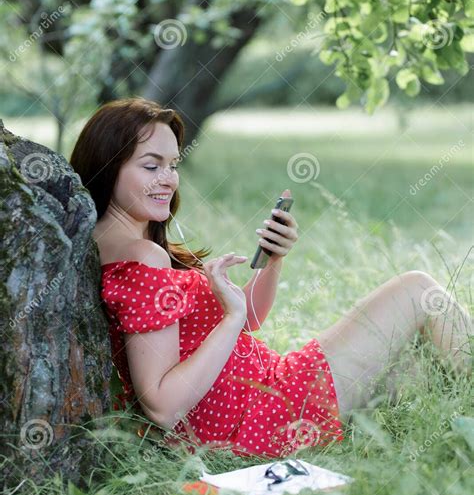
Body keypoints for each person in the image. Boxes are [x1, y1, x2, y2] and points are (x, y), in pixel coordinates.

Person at [69, 98, 472, 458]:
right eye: (151, 165)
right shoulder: (142, 258)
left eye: (173, 165)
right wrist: (229, 318)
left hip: (260, 401)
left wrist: (273, 261)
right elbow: (162, 406)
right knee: (416, 291)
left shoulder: (118, 244)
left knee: (416, 363)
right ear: (108, 164)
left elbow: (248, 321)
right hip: (263, 416)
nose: (168, 179)